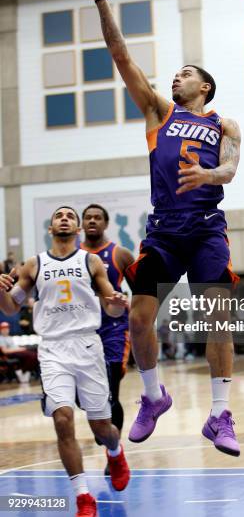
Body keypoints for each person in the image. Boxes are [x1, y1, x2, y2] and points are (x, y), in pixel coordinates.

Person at [69, 0, 241, 456]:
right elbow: (121, 56)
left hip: (207, 228)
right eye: (175, 74)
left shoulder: (225, 124)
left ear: (204, 87)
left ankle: (219, 414)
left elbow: (229, 172)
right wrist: (101, 0)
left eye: (186, 74)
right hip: (164, 231)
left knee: (218, 319)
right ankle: (153, 396)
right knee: (140, 320)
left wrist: (208, 177)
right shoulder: (158, 113)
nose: (177, 77)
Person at [0, 206, 130, 517]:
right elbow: (8, 309)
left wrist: (117, 305)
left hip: (87, 346)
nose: (64, 218)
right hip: (53, 350)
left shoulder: (91, 261)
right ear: (50, 228)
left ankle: (115, 451)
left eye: (70, 216)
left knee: (102, 427)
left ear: (78, 229)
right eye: (59, 215)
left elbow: (111, 308)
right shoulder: (35, 264)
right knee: (62, 419)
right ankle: (83, 496)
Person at [80, 203, 135, 475]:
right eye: (88, 217)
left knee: (112, 393)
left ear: (105, 223)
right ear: (82, 224)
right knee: (86, 396)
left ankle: (113, 454)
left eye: (97, 217)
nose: (92, 221)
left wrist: (138, 320)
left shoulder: (120, 254)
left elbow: (143, 291)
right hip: (79, 333)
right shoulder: (71, 256)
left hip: (114, 331)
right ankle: (100, 423)